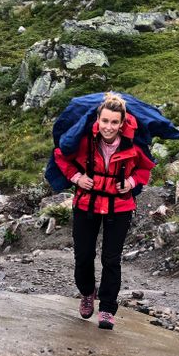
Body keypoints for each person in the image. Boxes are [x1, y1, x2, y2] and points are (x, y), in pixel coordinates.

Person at [53, 93, 154, 330]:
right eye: (105, 121)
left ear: (122, 123)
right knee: (83, 256)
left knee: (111, 259)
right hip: (86, 203)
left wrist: (130, 182)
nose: (109, 127)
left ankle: (107, 308)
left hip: (119, 207)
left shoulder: (134, 144)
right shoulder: (84, 140)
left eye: (114, 122)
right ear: (97, 119)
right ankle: (88, 292)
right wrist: (77, 177)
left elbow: (144, 169)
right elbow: (60, 155)